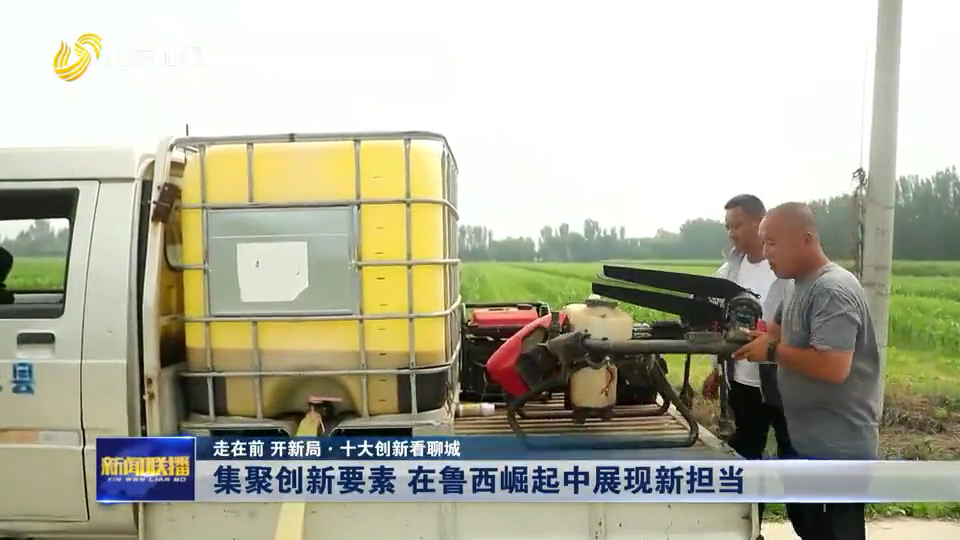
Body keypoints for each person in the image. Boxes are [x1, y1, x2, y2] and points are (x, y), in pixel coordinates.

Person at [733, 202, 881, 540]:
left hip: (837, 451)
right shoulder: (794, 285)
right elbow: (775, 333)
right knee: (809, 527)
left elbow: (833, 366)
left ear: (806, 240)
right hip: (804, 442)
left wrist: (770, 351)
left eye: (772, 243)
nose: (765, 253)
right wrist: (742, 339)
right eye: (763, 243)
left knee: (833, 532)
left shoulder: (831, 290)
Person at [701, 195, 792, 538]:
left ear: (759, 222)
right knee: (745, 459)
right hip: (742, 382)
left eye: (737, 225)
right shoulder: (729, 271)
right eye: (728, 227)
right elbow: (717, 323)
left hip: (784, 381)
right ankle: (750, 529)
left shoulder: (784, 269)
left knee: (792, 457)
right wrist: (715, 369)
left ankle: (807, 522)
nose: (731, 233)